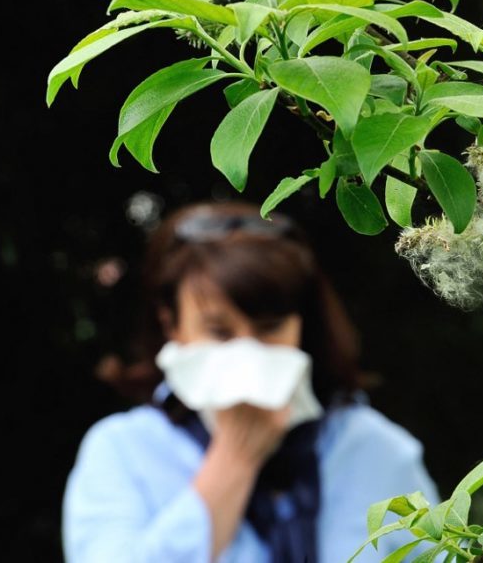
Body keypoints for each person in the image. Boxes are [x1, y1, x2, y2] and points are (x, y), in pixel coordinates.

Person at [62, 201, 439, 562]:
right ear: (171, 324)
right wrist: (234, 460)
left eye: (269, 328)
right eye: (219, 332)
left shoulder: (377, 452)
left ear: (301, 325)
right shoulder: (122, 454)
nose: (247, 352)